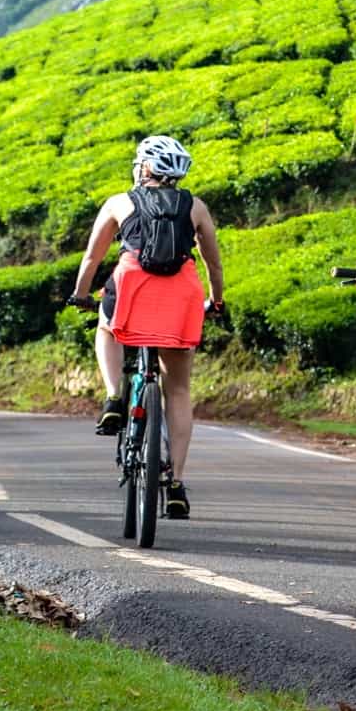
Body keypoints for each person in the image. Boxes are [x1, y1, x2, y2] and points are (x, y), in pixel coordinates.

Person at [72, 135, 225, 519]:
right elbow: (213, 265)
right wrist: (216, 300)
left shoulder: (119, 202)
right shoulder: (197, 207)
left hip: (132, 287)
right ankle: (175, 483)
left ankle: (111, 398)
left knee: (107, 330)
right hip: (182, 294)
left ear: (145, 168)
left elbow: (92, 257)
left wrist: (80, 294)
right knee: (178, 390)